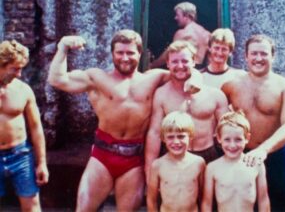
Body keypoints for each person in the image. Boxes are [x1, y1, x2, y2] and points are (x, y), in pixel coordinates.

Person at [48, 29, 201, 211]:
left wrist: (197, 78)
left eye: (130, 52)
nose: (125, 58)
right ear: (112, 53)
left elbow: (183, 72)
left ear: (139, 53)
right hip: (102, 157)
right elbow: (57, 79)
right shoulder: (97, 78)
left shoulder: (153, 78)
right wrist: (63, 47)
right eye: (120, 52)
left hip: (133, 160)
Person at [222, 34, 285, 211]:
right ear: (246, 56)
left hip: (275, 155)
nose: (258, 58)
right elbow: (217, 112)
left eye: (264, 54)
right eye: (254, 53)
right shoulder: (231, 86)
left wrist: (263, 149)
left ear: (273, 56)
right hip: (240, 154)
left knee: (277, 204)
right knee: (242, 205)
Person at [145, 40, 228, 181]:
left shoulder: (215, 95)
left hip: (208, 155)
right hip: (173, 156)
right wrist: (149, 171)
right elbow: (154, 133)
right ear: (168, 64)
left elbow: (227, 131)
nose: (180, 66)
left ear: (194, 61)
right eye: (175, 62)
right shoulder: (161, 94)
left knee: (209, 202)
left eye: (184, 61)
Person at [0, 40, 49, 211]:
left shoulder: (24, 90)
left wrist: (42, 162)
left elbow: (36, 128)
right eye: (15, 68)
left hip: (20, 155)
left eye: (21, 68)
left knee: (32, 207)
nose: (20, 74)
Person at [201, 111, 270, 212]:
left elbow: (263, 200)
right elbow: (207, 203)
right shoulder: (212, 168)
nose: (232, 145)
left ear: (247, 138)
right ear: (219, 138)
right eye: (227, 139)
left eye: (238, 139)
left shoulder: (256, 165)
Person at [147, 111, 205, 212]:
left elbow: (202, 196)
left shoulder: (199, 163)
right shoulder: (158, 165)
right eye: (170, 137)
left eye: (181, 136)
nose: (176, 142)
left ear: (190, 136)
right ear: (163, 138)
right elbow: (151, 200)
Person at [149, 1, 211, 69]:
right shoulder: (207, 34)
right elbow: (209, 59)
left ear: (187, 16)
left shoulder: (182, 33)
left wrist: (152, 65)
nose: (175, 18)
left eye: (177, 15)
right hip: (200, 72)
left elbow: (168, 55)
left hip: (184, 70)